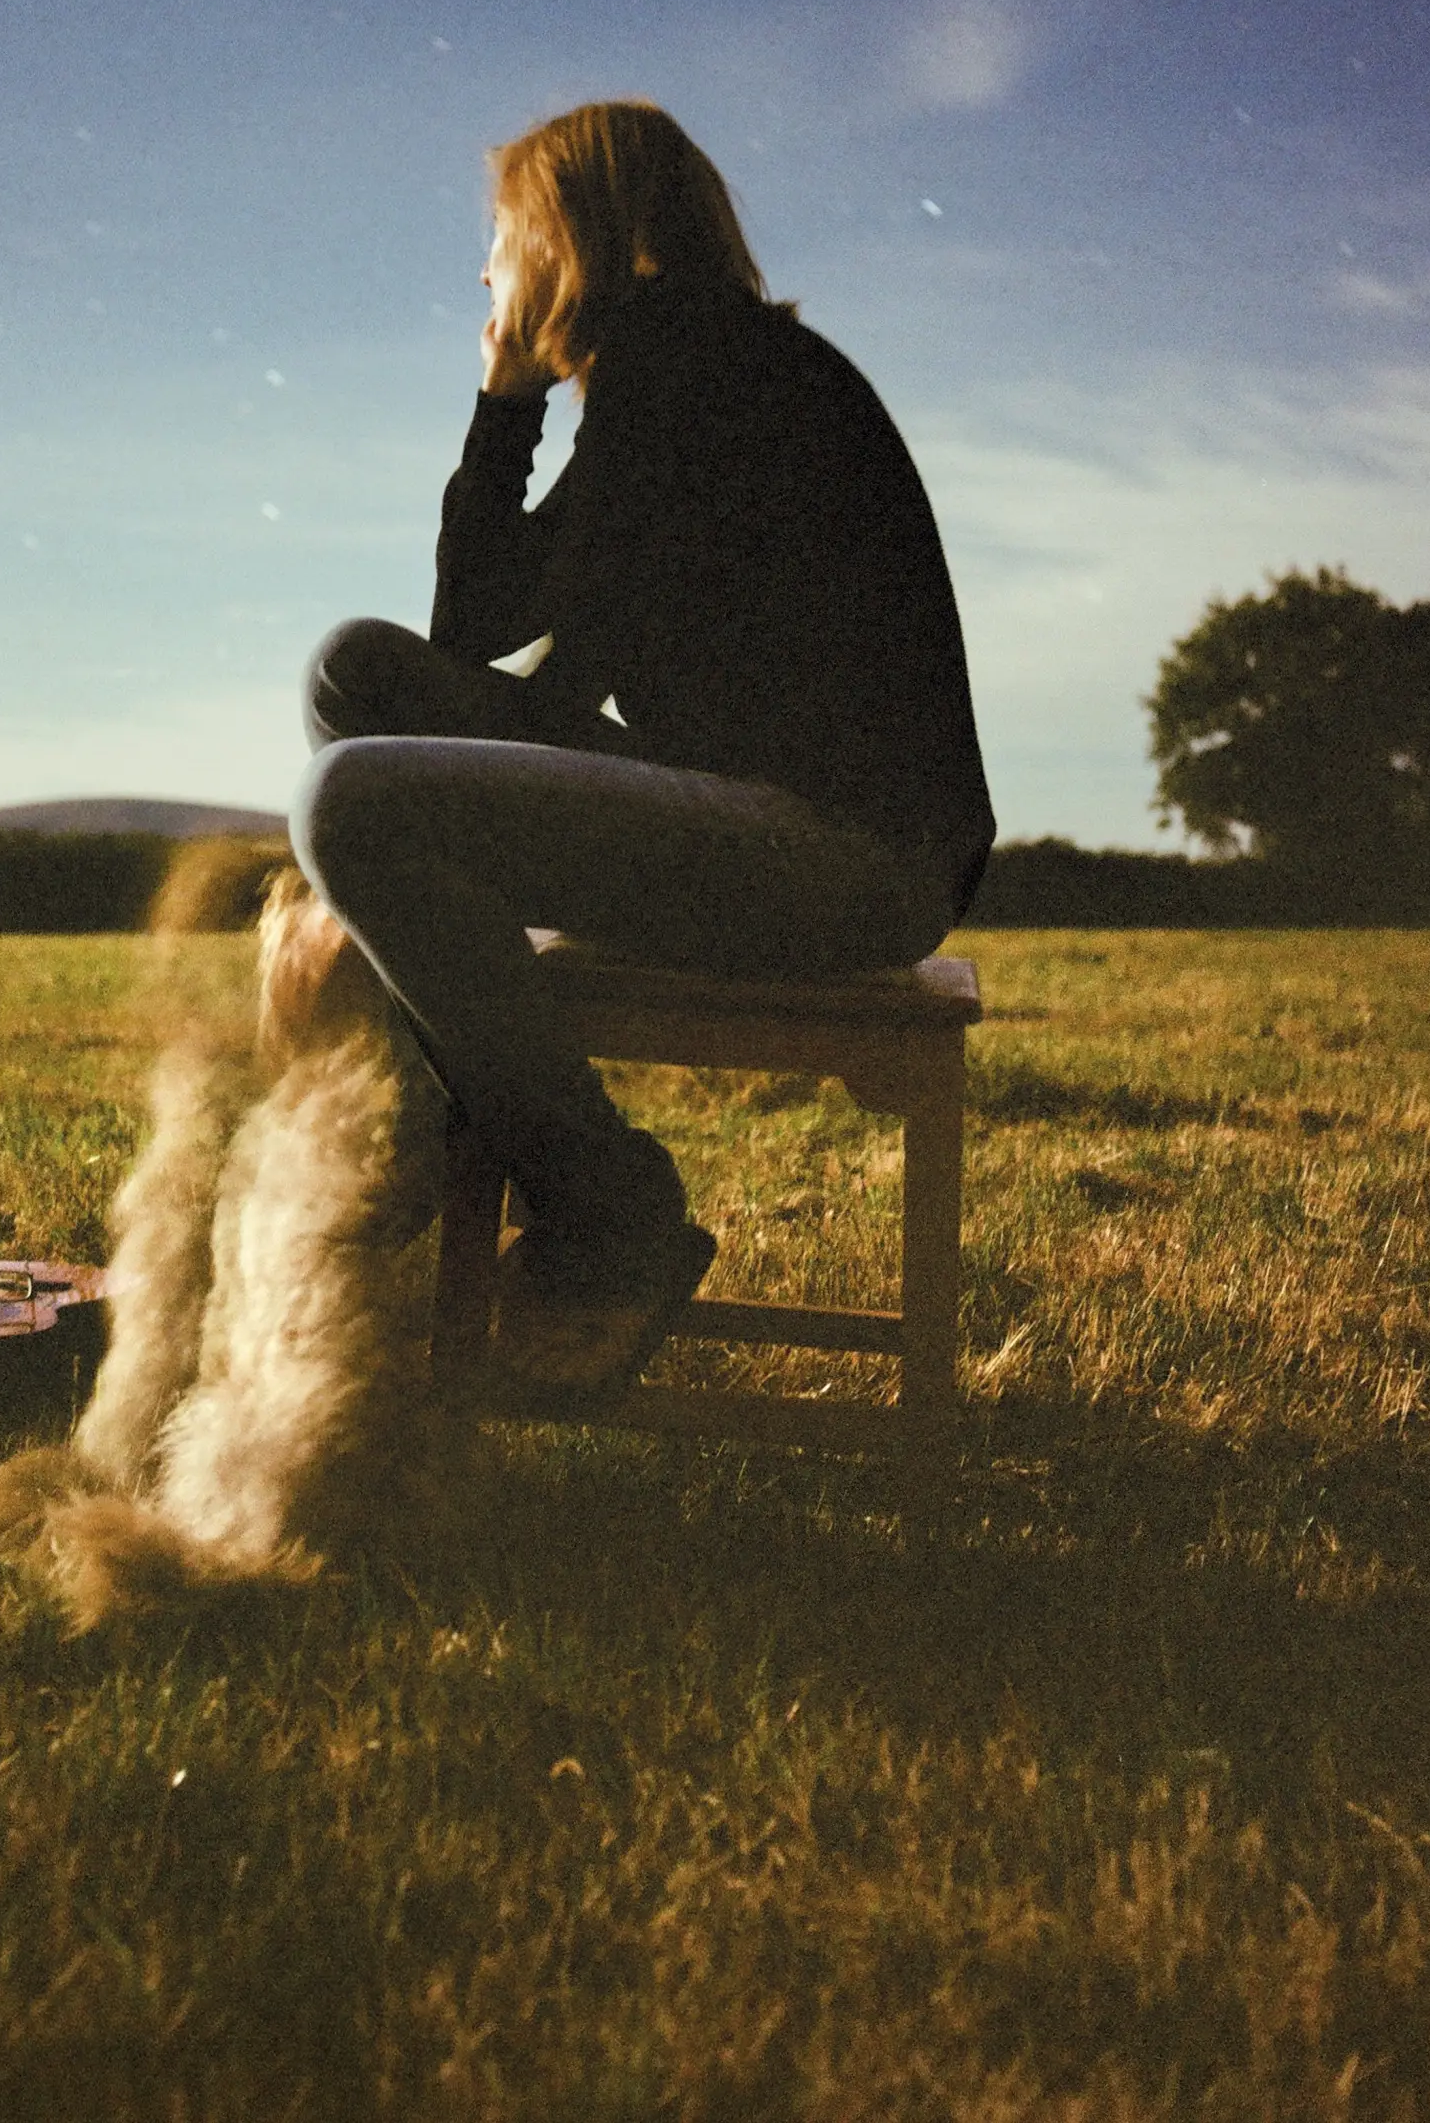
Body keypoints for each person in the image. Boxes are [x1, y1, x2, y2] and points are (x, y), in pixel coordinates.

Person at [292, 101, 993, 1395]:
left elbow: (552, 677)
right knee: (358, 672)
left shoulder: (691, 358)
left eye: (503, 237)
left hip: (841, 856)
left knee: (352, 803)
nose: (486, 272)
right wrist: (507, 402)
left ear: (566, 235)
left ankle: (606, 1208)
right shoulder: (679, 364)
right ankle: (435, 1121)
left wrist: (415, 859)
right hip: (804, 829)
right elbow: (477, 628)